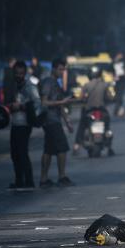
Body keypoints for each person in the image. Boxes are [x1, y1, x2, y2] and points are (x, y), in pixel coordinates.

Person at [40, 59, 76, 188]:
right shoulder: (48, 82)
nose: (62, 72)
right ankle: (62, 176)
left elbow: (61, 104)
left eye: (64, 69)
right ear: (54, 69)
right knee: (62, 148)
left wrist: (67, 121)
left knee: (48, 150)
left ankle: (44, 179)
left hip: (55, 119)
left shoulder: (56, 83)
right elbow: (44, 102)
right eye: (60, 69)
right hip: (50, 120)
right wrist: (61, 103)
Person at [8, 61, 40, 190]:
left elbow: (37, 104)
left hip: (25, 124)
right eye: (16, 73)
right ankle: (19, 181)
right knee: (15, 153)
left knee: (22, 153)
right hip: (15, 123)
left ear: (25, 73)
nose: (18, 75)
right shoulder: (14, 86)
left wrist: (22, 106)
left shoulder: (30, 87)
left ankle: (29, 181)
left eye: (21, 73)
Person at [72, 65, 114, 156]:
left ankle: (76, 146)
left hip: (89, 111)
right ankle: (109, 147)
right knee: (107, 127)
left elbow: (81, 98)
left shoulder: (86, 85)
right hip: (102, 110)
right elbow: (110, 97)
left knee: (81, 126)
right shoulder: (105, 85)